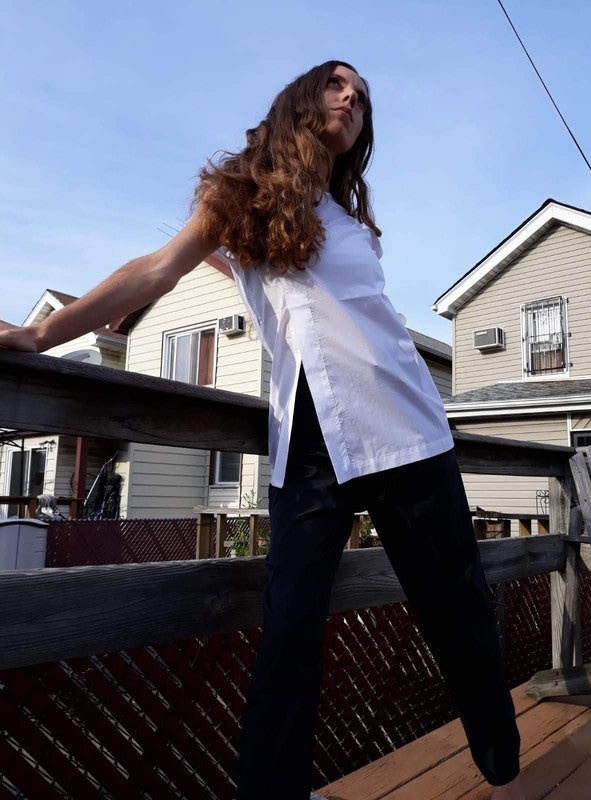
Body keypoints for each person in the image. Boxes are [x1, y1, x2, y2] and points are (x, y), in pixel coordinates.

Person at [0, 60, 525, 800]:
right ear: (303, 99)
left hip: (406, 423)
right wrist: (44, 333)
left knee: (456, 603)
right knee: (289, 633)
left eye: (364, 98)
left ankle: (503, 761)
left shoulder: (350, 219)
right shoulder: (241, 198)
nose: (353, 99)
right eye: (340, 85)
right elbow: (155, 271)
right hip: (308, 439)